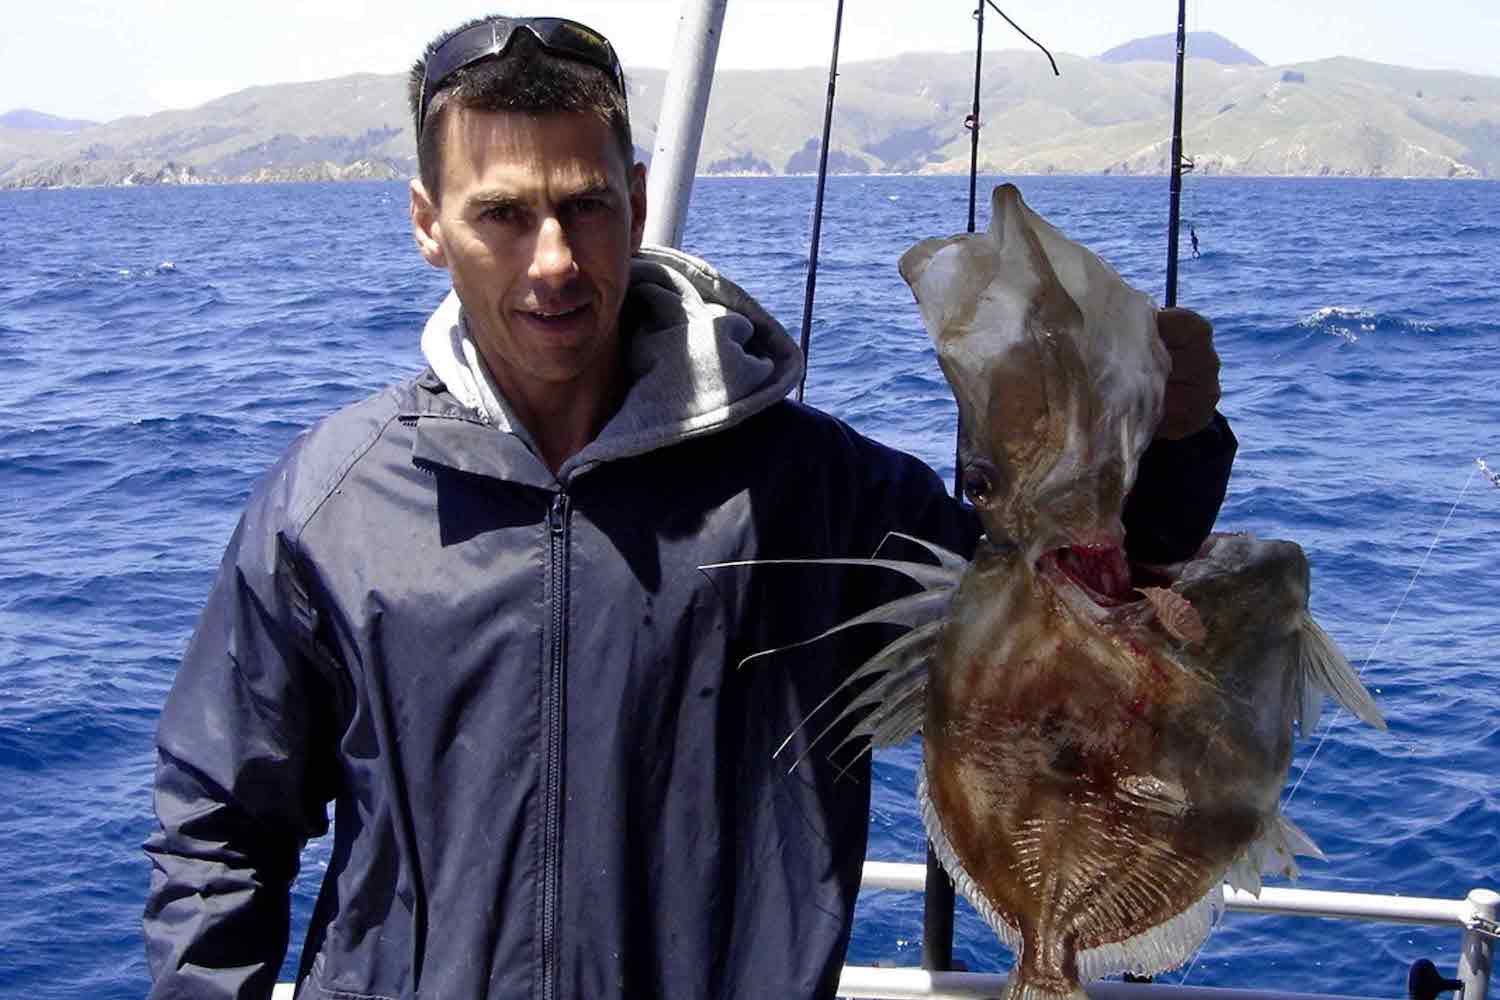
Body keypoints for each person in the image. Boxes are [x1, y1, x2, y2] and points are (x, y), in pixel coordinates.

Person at [143, 14, 1237, 1000]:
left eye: (584, 205)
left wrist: (1166, 439)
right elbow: (219, 830)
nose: (555, 261)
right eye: (504, 217)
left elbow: (1075, 605)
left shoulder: (813, 493)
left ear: (635, 191)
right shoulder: (330, 503)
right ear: (429, 223)